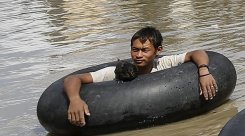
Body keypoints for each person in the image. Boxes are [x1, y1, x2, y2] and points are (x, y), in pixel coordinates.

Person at [62, 26, 219, 127]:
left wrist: (203, 71)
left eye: (145, 50)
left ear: (158, 50)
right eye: (135, 49)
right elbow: (73, 79)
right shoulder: (119, 72)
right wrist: (75, 99)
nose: (138, 55)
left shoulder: (163, 63)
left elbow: (197, 53)